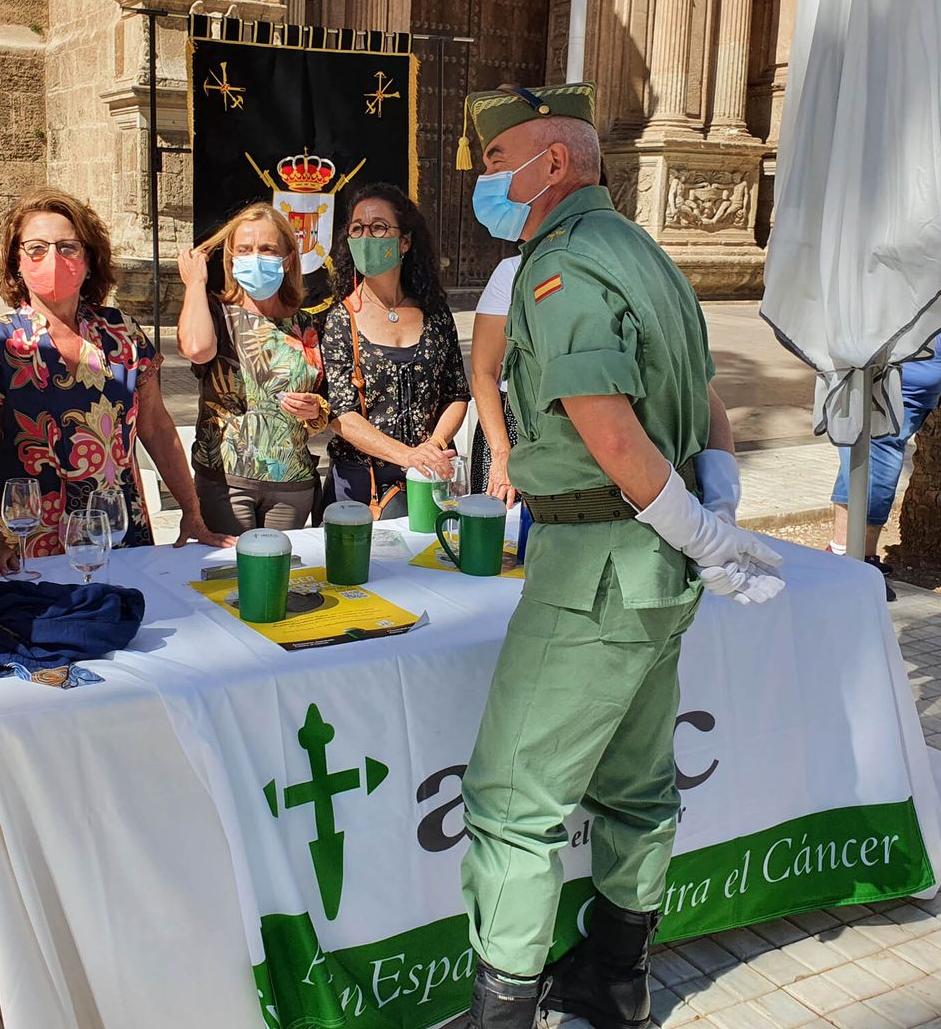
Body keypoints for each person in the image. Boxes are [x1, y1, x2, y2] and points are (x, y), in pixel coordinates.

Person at [451, 84, 784, 1029]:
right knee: (637, 787)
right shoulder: (643, 252)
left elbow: (609, 432)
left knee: (514, 802)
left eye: (495, 161)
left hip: (596, 567)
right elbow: (708, 397)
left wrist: (701, 528)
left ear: (550, 163)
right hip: (655, 571)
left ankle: (503, 1014)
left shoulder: (559, 272)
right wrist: (711, 499)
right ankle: (614, 978)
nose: (486, 183)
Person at [0, 189, 232, 576]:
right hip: (23, 545)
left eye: (68, 247)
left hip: (117, 533)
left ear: (88, 260)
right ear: (16, 261)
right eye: (35, 248)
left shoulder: (122, 333)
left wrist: (192, 512)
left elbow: (158, 429)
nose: (52, 259)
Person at [176, 203, 329, 534]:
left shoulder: (306, 325)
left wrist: (316, 410)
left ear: (287, 260)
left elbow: (325, 406)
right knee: (229, 580)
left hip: (293, 483)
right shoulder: (217, 314)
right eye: (244, 250)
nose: (255, 257)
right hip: (227, 483)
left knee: (278, 578)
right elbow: (197, 349)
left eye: (267, 249)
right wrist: (194, 284)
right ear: (231, 259)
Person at [319, 182, 469, 517]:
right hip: (361, 485)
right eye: (357, 229)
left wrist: (433, 445)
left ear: (404, 241)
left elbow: (457, 393)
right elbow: (341, 415)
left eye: (379, 228)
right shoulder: (342, 319)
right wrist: (406, 455)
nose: (366, 237)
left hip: (430, 475)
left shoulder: (435, 313)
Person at [828, 326, 941, 598]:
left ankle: (846, 553)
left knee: (863, 455)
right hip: (886, 372)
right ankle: (856, 556)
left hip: (906, 377)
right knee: (871, 459)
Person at [469, 254, 520, 502]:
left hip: (576, 425)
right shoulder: (512, 271)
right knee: (496, 531)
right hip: (511, 423)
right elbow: (483, 374)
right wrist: (501, 454)